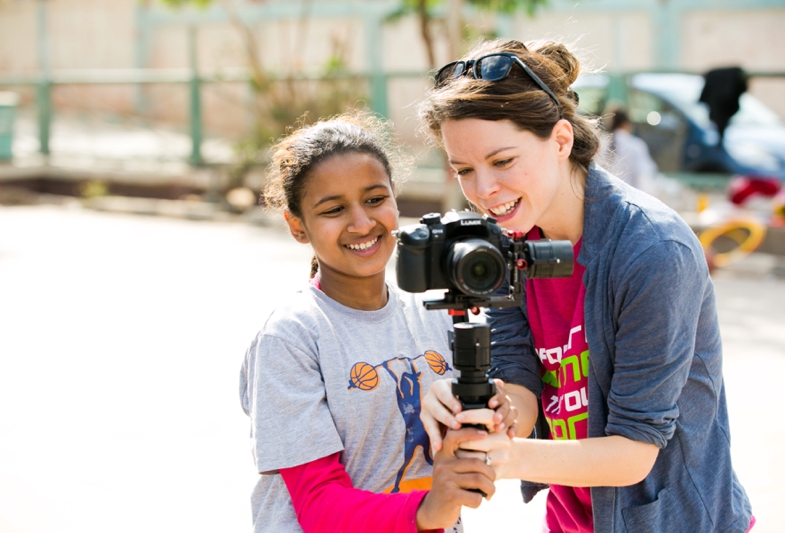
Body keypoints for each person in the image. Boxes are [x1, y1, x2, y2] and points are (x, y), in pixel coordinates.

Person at [416, 39, 754, 532]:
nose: (483, 190)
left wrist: (502, 457)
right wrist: (479, 409)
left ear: (560, 140)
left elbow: (634, 452)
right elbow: (520, 380)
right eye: (464, 170)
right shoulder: (507, 243)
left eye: (503, 161)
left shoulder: (652, 251)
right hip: (576, 518)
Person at [239, 110, 505, 533]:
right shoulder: (292, 336)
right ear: (297, 225)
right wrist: (427, 510)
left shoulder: (434, 316)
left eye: (375, 199)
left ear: (395, 197)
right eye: (333, 209)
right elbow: (318, 505)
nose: (362, 222)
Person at [604, 108, 659, 196]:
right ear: (626, 124)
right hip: (628, 199)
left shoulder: (601, 144)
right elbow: (644, 179)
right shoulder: (635, 145)